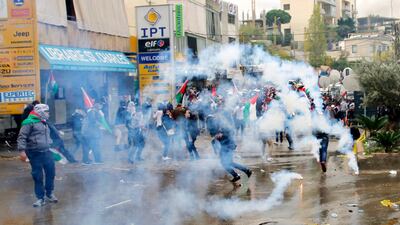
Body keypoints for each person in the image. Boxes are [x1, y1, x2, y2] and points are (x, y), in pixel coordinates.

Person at [17, 104, 58, 207]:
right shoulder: (29, 122)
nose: (48, 113)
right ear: (41, 112)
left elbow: (48, 136)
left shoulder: (44, 122)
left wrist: (54, 145)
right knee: (38, 176)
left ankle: (49, 193)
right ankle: (40, 198)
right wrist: (22, 151)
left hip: (47, 152)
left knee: (51, 173)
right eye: (47, 111)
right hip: (34, 153)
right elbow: (22, 137)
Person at [215, 110, 252, 183]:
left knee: (226, 163)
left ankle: (241, 173)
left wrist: (221, 135)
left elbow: (230, 132)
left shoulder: (226, 124)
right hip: (226, 145)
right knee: (228, 163)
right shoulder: (223, 123)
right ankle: (241, 173)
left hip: (227, 146)